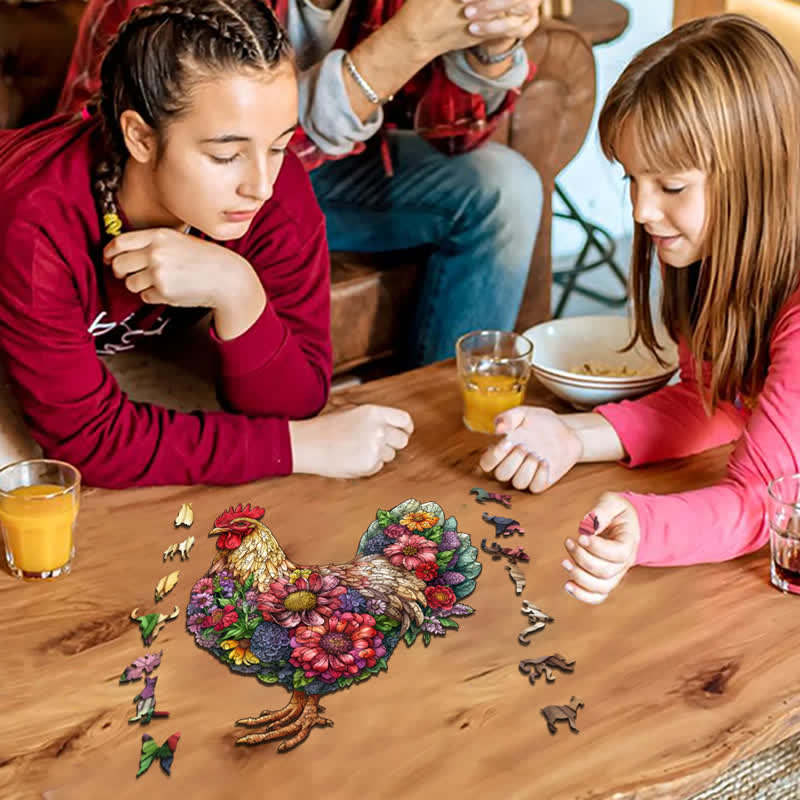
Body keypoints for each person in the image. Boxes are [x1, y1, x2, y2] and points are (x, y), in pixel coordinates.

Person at [0, 0, 413, 488]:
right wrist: (302, 447)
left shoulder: (274, 188)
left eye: (278, 146)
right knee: (25, 483)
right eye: (226, 155)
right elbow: (92, 444)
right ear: (140, 137)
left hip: (81, 338)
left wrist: (238, 290)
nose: (260, 184)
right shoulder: (36, 222)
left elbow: (298, 399)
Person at [480, 14, 800, 604]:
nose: (640, 210)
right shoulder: (715, 259)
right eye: (632, 179)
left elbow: (765, 500)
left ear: (760, 175)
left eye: (671, 187)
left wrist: (644, 526)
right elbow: (717, 400)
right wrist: (573, 436)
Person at [56, 0, 544, 366]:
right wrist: (402, 45)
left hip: (323, 170)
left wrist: (490, 48)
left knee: (505, 187)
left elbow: (456, 139)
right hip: (175, 188)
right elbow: (111, 153)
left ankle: (448, 414)